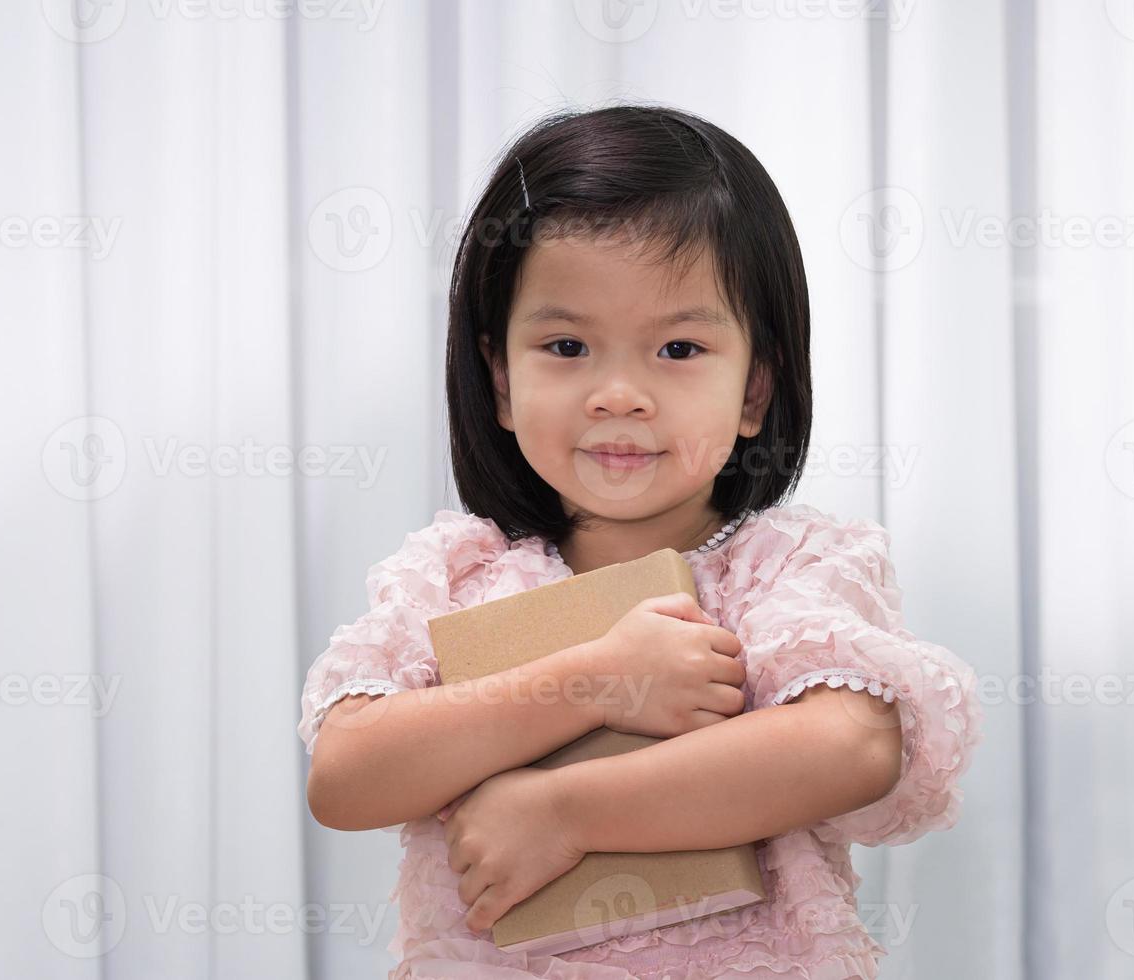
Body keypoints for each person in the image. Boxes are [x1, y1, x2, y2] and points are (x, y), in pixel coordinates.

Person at [297, 103, 984, 980]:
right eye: (568, 344)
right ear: (501, 381)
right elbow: (348, 775)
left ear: (755, 391)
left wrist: (566, 811)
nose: (618, 393)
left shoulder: (783, 572)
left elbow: (851, 746)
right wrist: (598, 682)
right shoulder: (452, 573)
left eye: (680, 348)